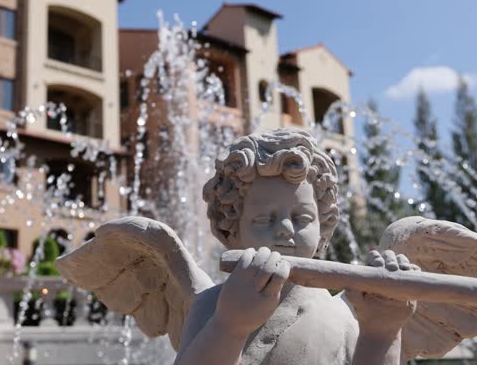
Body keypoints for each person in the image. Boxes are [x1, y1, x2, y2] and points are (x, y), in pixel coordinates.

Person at [174, 128, 419, 365]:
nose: (286, 229)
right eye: (263, 219)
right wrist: (229, 326)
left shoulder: (343, 316)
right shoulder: (208, 306)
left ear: (323, 225)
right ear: (231, 229)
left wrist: (382, 332)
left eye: (302, 218)